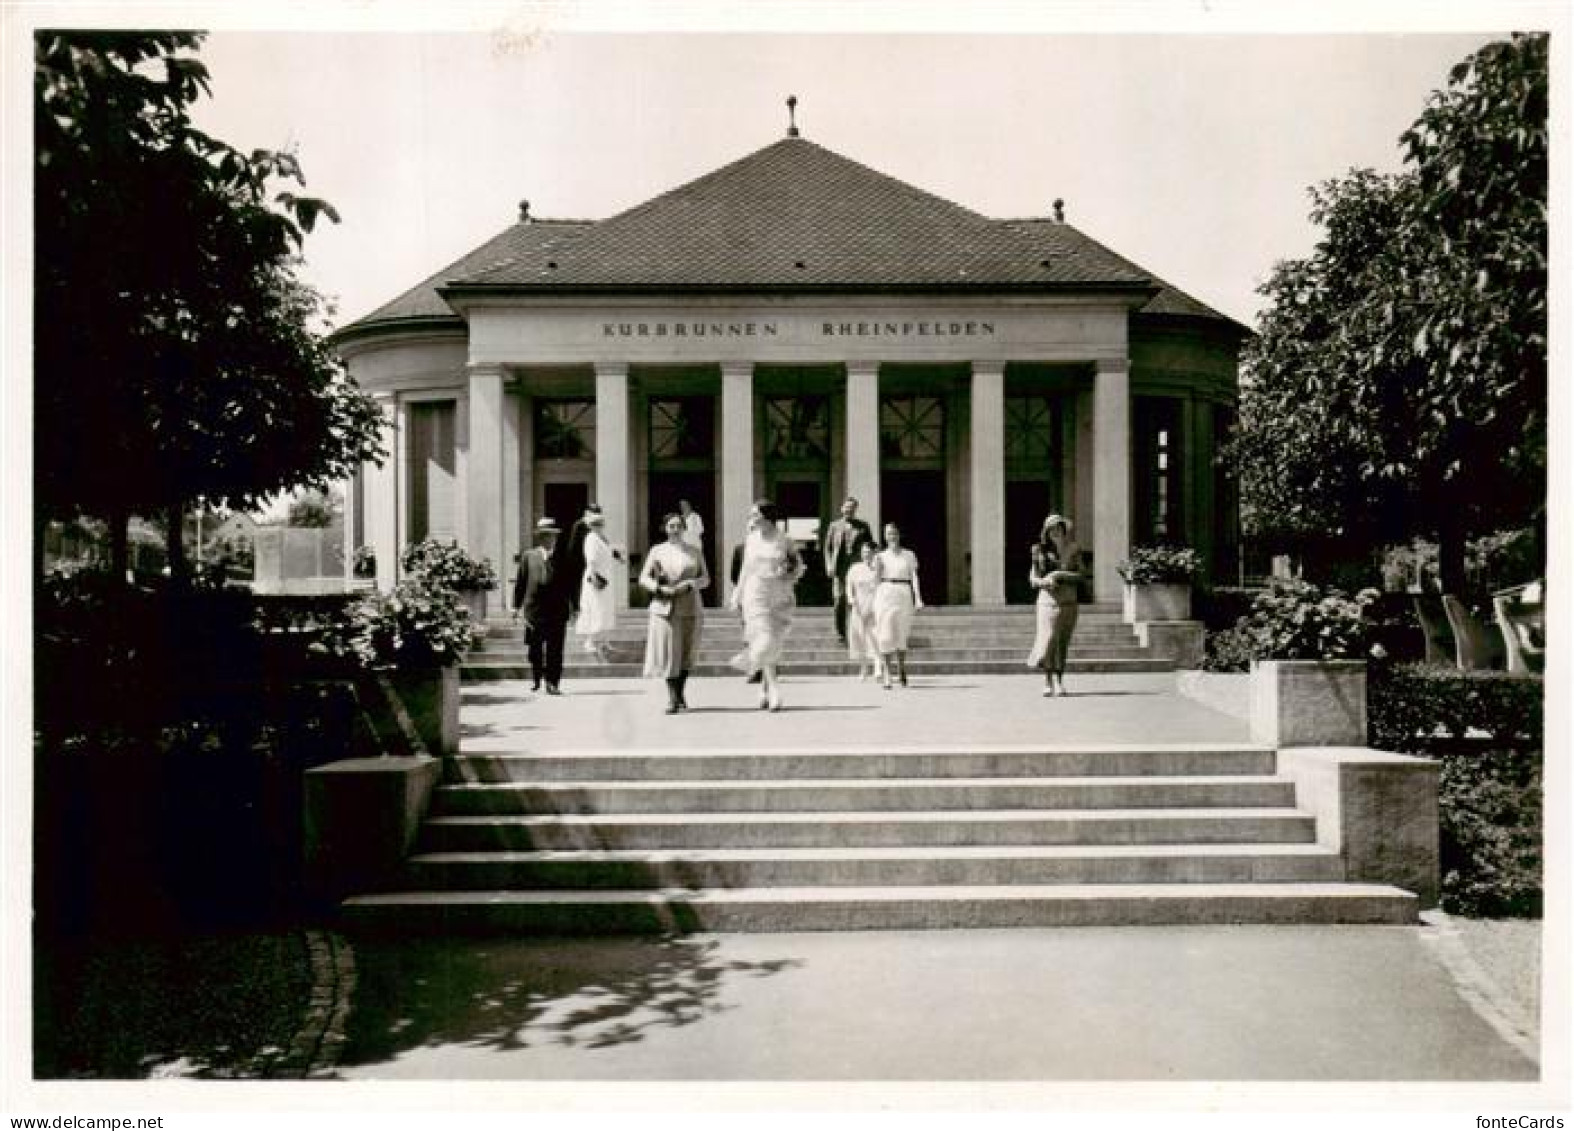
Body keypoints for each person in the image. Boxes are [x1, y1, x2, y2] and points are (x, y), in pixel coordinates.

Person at [728, 499, 805, 711]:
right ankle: (775, 689)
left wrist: (788, 572)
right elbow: (745, 569)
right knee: (764, 638)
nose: (752, 517)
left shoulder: (784, 540)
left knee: (773, 641)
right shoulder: (751, 539)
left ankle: (763, 689)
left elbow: (797, 565)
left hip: (779, 593)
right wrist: (737, 594)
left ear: (767, 516)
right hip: (755, 592)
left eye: (756, 514)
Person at [639, 512, 710, 714]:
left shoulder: (694, 551)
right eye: (671, 526)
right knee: (669, 653)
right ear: (665, 528)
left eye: (679, 525)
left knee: (687, 653)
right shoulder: (657, 550)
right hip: (665, 607)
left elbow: (706, 578)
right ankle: (672, 698)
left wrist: (691, 584)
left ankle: (680, 692)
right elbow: (644, 578)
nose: (676, 529)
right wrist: (658, 588)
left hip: (690, 606)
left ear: (684, 528)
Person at [511, 517, 572, 695]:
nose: (549, 539)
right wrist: (516, 607)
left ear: (556, 538)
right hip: (534, 611)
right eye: (545, 536)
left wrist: (574, 606)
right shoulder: (528, 556)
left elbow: (570, 584)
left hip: (557, 610)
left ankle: (552, 682)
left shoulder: (563, 557)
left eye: (552, 536)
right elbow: (521, 583)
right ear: (539, 538)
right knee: (535, 649)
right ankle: (537, 678)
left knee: (555, 649)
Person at [1026, 514, 1083, 696]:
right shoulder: (1039, 551)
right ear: (1046, 531)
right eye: (1052, 529)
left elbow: (1081, 575)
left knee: (1062, 643)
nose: (1056, 532)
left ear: (1064, 530)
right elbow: (1033, 578)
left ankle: (1059, 681)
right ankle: (1047, 681)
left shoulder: (1074, 549)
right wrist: (1045, 582)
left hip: (1068, 602)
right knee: (1048, 639)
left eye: (1059, 528)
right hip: (1047, 602)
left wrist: (1060, 574)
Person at [871, 522, 923, 688]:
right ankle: (887, 673)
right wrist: (876, 569)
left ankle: (901, 668)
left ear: (899, 535)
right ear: (884, 536)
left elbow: (914, 577)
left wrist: (918, 598)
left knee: (901, 633)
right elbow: (875, 581)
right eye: (888, 534)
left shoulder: (909, 555)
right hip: (885, 592)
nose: (891, 537)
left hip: (903, 592)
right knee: (885, 634)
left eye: (894, 533)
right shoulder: (880, 556)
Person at [822, 496, 874, 645]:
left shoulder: (863, 526)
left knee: (858, 600)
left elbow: (870, 546)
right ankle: (841, 633)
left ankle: (859, 631)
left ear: (855, 509)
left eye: (852, 508)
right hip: (840, 569)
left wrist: (869, 563)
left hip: (857, 568)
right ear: (841, 508)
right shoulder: (834, 526)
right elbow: (827, 548)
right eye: (846, 507)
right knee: (839, 599)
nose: (848, 510)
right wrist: (829, 564)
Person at [575, 508, 618, 661]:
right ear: (590, 525)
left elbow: (609, 554)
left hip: (606, 576)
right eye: (595, 524)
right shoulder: (591, 538)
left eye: (601, 523)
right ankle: (590, 641)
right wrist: (593, 578)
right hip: (596, 576)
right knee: (594, 607)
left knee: (605, 608)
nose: (599, 526)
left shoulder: (603, 538)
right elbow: (591, 560)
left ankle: (604, 641)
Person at [844, 537, 883, 681]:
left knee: (875, 636)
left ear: (874, 552)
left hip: (874, 605)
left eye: (868, 551)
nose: (865, 554)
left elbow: (881, 585)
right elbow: (849, 585)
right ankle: (864, 668)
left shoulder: (879, 569)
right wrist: (850, 598)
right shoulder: (855, 568)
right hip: (858, 606)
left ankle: (878, 667)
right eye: (863, 552)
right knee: (860, 638)